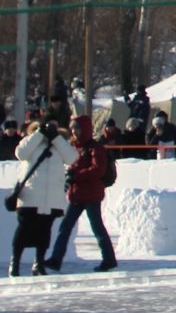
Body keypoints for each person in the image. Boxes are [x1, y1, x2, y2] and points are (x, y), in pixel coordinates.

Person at [47, 115, 118, 273]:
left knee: (97, 227)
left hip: (91, 194)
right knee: (65, 227)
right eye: (72, 128)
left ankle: (109, 259)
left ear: (85, 129)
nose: (74, 132)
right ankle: (56, 259)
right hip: (78, 195)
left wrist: (76, 175)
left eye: (77, 128)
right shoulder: (74, 147)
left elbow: (98, 170)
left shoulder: (95, 148)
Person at [11, 120, 76, 277]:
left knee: (44, 233)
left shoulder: (60, 145)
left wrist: (57, 138)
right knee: (22, 231)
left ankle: (38, 263)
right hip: (31, 195)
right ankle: (15, 263)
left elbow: (72, 158)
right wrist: (38, 134)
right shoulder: (31, 142)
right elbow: (21, 153)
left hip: (51, 198)